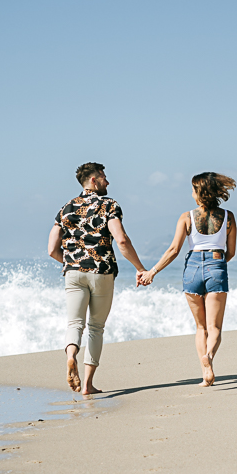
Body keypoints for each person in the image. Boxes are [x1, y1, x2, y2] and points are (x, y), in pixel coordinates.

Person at [49, 163, 148, 396]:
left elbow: (52, 249)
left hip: (72, 273)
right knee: (96, 327)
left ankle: (71, 355)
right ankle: (87, 385)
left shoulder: (66, 208)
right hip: (101, 271)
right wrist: (140, 268)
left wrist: (72, 262)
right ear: (93, 180)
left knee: (74, 324)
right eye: (104, 178)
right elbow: (121, 240)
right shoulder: (109, 205)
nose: (108, 182)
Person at [138, 172, 237, 386]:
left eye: (193, 189)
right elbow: (231, 252)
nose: (191, 192)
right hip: (216, 264)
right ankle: (209, 358)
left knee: (200, 327)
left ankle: (205, 374)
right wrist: (216, 266)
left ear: (199, 192)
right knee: (215, 327)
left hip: (192, 268)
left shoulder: (186, 217)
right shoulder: (228, 217)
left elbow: (174, 250)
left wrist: (151, 272)